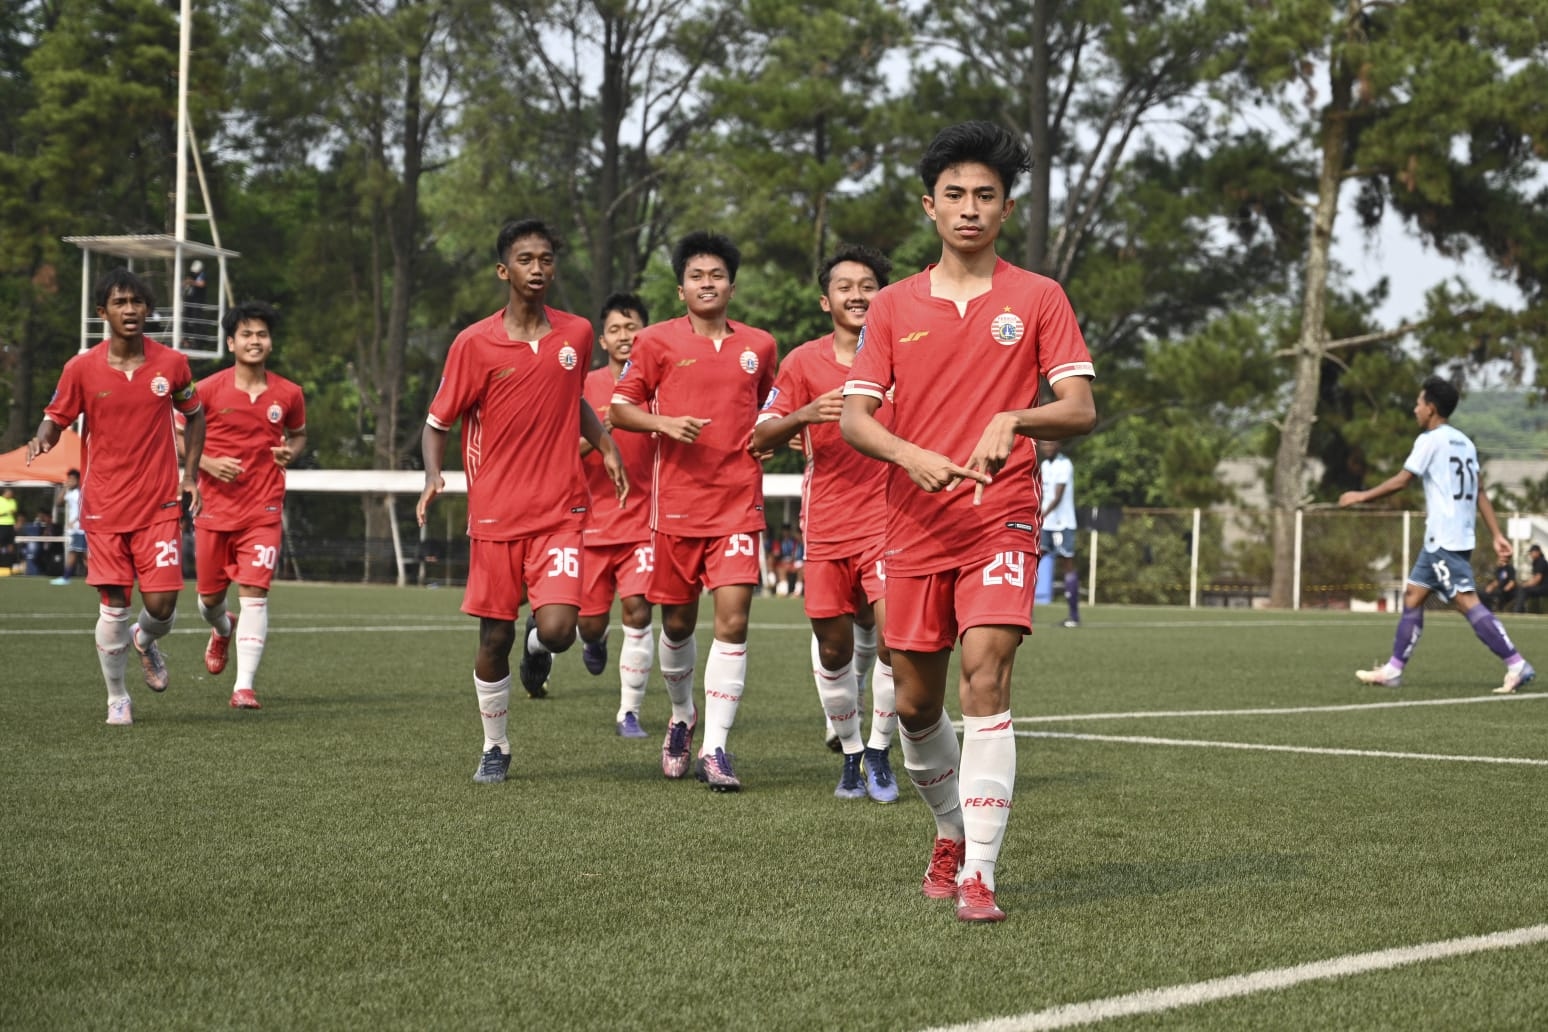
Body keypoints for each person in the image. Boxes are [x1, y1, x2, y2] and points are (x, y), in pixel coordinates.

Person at [840, 121, 1097, 922]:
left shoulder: (1038, 297)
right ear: (930, 206)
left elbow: (1080, 408)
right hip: (912, 527)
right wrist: (908, 455)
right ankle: (949, 832)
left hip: (1002, 520)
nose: (970, 208)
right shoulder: (890, 307)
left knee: (987, 674)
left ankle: (980, 873)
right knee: (916, 704)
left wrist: (1017, 420)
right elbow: (854, 419)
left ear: (1007, 207)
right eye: (955, 195)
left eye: (986, 195)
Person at [417, 219, 626, 784]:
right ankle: (495, 745)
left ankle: (541, 645)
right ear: (504, 271)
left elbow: (574, 397)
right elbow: (437, 423)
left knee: (559, 629)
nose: (538, 269)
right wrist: (435, 475)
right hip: (495, 516)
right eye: (526, 260)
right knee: (493, 638)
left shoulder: (578, 333)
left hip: (561, 510)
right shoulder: (474, 344)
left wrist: (605, 444)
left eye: (546, 259)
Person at [610, 230, 778, 793]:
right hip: (675, 510)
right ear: (681, 289)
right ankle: (682, 717)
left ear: (732, 284)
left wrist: (775, 436)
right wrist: (663, 424)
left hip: (738, 506)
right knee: (676, 625)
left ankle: (717, 749)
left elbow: (769, 410)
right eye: (696, 277)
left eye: (717, 275)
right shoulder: (655, 342)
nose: (708, 284)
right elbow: (619, 408)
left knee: (733, 622)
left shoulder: (760, 346)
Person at [751, 243, 901, 803]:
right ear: (825, 299)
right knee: (834, 649)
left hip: (891, 523)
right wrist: (804, 414)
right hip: (827, 527)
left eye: (868, 285)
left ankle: (881, 753)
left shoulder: (902, 358)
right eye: (845, 286)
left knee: (895, 640)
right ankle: (852, 752)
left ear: (883, 296)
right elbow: (757, 438)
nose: (858, 294)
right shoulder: (802, 363)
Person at [27, 266, 206, 725]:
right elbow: (56, 415)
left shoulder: (173, 364)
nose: (130, 310)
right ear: (102, 311)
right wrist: (43, 436)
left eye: (138, 302)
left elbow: (195, 415)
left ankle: (145, 641)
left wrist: (190, 476)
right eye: (120, 303)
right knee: (114, 604)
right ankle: (118, 697)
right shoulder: (81, 368)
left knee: (163, 605)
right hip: (104, 507)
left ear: (148, 309)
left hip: (160, 504)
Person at [1340, 376, 1534, 695]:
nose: (1415, 409)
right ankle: (1392, 670)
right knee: (1414, 596)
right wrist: (1497, 534)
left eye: (1418, 403)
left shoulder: (1429, 440)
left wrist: (1361, 496)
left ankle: (1516, 664)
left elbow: (1402, 481)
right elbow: (1480, 491)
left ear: (1431, 408)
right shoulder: (1465, 443)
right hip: (1445, 539)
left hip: (1446, 539)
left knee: (1466, 602)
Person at [181, 301, 307, 710]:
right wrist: (207, 463)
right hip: (214, 511)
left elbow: (299, 434)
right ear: (231, 342)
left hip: (264, 510)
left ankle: (244, 686)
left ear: (270, 343)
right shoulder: (206, 390)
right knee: (209, 601)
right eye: (247, 335)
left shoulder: (289, 393)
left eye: (262, 335)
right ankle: (222, 629)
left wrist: (292, 451)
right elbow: (177, 437)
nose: (256, 341)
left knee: (255, 594)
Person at [577, 292, 658, 738]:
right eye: (616, 330)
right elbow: (565, 452)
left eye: (633, 328)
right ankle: (595, 638)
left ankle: (629, 712)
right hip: (589, 523)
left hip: (643, 520)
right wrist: (602, 431)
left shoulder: (660, 381)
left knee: (638, 609)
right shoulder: (583, 387)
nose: (625, 336)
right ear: (603, 340)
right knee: (587, 623)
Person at [1038, 439, 1080, 627]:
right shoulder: (1044, 465)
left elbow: (1057, 496)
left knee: (1067, 565)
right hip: (1046, 524)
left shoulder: (1065, 464)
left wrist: (1040, 513)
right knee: (1034, 560)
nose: (1046, 447)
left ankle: (1073, 615)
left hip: (1063, 523)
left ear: (1058, 445)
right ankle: (1023, 613)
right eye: (1044, 444)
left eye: (1050, 444)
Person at [51, 469, 87, 585]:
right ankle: (67, 577)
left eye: (72, 479)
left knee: (80, 554)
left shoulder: (80, 493)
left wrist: (76, 520)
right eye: (69, 479)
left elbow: (85, 509)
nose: (70, 481)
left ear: (78, 480)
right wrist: (64, 487)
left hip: (80, 528)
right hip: (75, 529)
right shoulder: (70, 493)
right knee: (79, 553)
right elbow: (58, 502)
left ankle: (67, 578)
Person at [1513, 544, 1548, 614]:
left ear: (1538, 552)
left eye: (1532, 552)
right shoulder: (1536, 562)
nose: (1531, 554)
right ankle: (1521, 610)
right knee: (1521, 589)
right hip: (1542, 587)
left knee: (1524, 590)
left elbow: (1537, 579)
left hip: (1545, 588)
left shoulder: (1540, 562)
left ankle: (1517, 611)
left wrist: (1525, 585)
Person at [0, 487, 17, 570]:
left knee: (11, 544)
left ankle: (9, 564)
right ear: (5, 492)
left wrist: (6, 512)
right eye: (9, 493)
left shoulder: (12, 501)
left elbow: (13, 510)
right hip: (1, 524)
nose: (11, 494)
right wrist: (6, 512)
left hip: (10, 525)